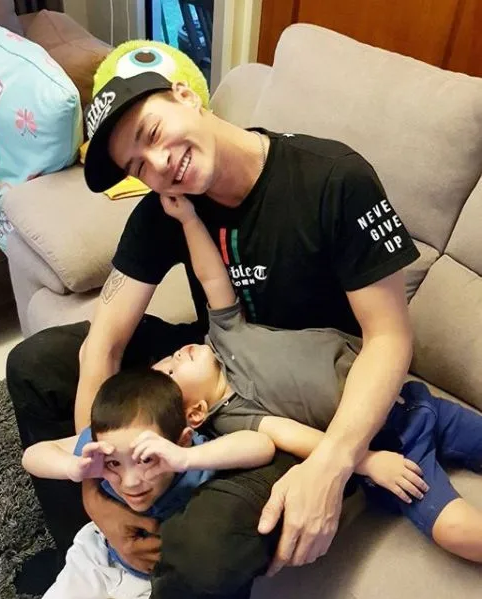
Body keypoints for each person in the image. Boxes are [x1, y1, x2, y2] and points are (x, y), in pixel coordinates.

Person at [7, 43, 420, 597]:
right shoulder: (167, 208)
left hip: (301, 405)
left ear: (186, 96)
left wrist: (333, 464)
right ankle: (94, 548)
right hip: (216, 365)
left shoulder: (333, 179)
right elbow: (103, 343)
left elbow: (389, 338)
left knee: (201, 555)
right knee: (38, 363)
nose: (159, 165)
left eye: (153, 133)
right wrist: (98, 496)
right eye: (139, 166)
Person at [148, 193, 482, 563]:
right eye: (172, 371)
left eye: (169, 357)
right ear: (196, 412)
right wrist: (370, 462)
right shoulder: (232, 415)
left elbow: (210, 276)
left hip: (414, 400)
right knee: (453, 528)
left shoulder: (225, 333)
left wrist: (189, 220)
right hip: (391, 447)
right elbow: (299, 438)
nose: (178, 354)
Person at [22, 367, 275, 599]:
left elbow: (261, 445)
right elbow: (32, 455)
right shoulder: (103, 444)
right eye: (114, 463)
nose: (130, 482)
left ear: (182, 441)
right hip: (101, 555)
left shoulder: (194, 457)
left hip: (160, 582)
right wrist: (73, 468)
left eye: (146, 459)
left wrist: (187, 458)